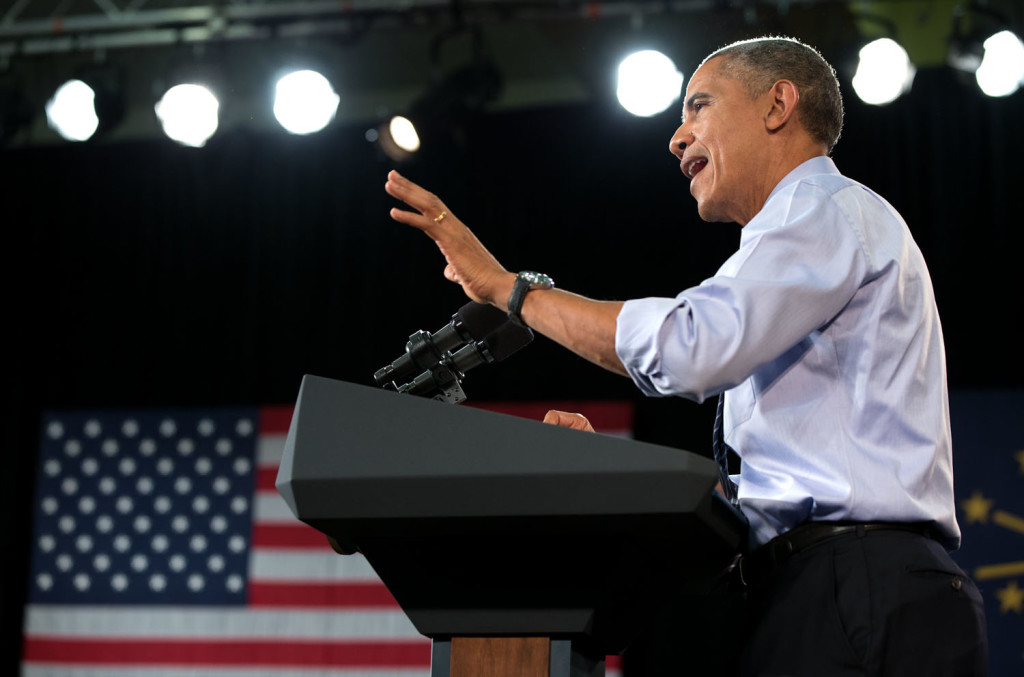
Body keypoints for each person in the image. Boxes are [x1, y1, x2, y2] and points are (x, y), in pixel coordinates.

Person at [385, 36, 988, 676]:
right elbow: (774, 485)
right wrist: (618, 475)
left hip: (858, 590)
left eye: (698, 107)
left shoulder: (824, 211)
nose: (677, 138)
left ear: (778, 104)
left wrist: (514, 293)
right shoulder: (800, 243)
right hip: (820, 589)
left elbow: (690, 348)